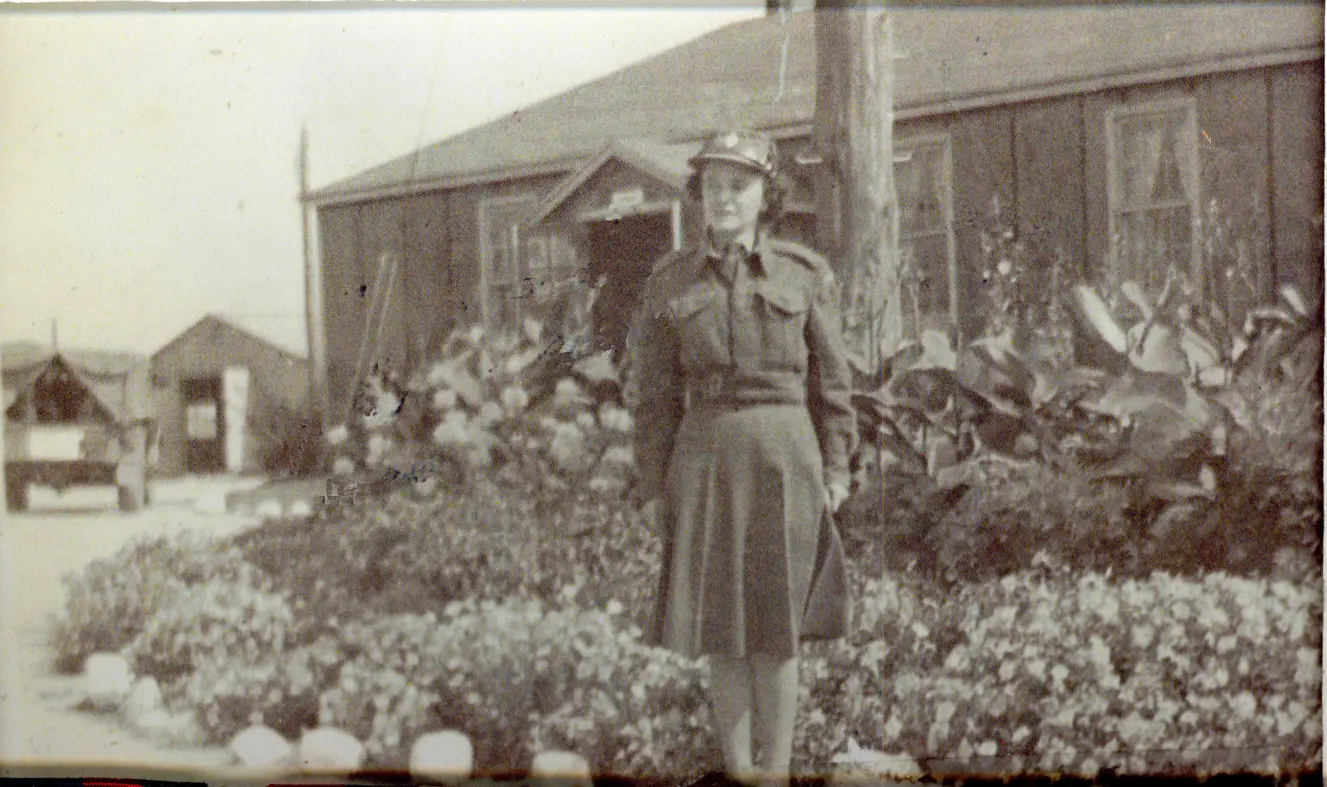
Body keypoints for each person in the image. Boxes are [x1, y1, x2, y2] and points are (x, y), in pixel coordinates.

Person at [631, 130, 856, 786]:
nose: (723, 198)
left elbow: (833, 385)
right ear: (696, 195)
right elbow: (652, 398)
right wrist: (651, 487)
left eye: (739, 184)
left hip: (786, 458)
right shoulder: (669, 281)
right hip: (703, 463)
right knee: (718, 627)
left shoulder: (801, 273)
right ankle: (738, 772)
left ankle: (776, 772)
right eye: (712, 185)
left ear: (765, 195)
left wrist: (837, 468)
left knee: (775, 624)